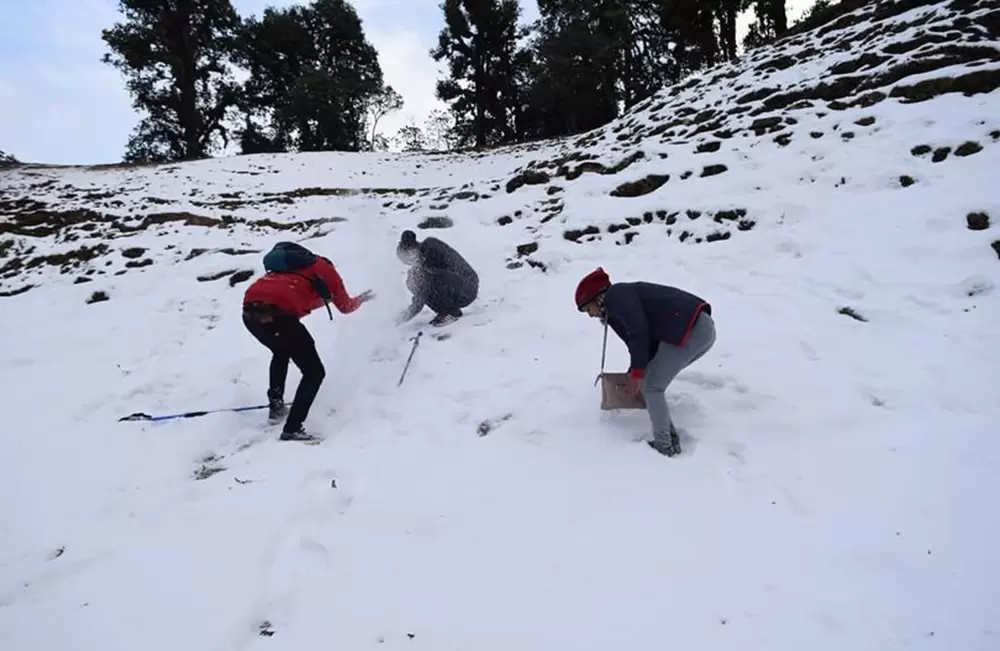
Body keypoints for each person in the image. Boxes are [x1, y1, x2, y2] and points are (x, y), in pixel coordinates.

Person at [575, 267, 715, 457]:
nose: (589, 314)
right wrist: (636, 371)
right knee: (651, 382)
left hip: (693, 329)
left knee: (653, 387)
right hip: (695, 329)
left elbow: (639, 332)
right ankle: (668, 439)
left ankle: (664, 446)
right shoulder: (616, 308)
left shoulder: (617, 296)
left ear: (597, 297)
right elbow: (641, 343)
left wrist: (638, 373)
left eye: (586, 308)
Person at [242, 242, 374, 441]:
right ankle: (293, 427)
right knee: (314, 372)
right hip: (279, 315)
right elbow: (345, 306)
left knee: (281, 351)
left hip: (249, 312)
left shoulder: (286, 268)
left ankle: (276, 406)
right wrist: (362, 299)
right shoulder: (326, 269)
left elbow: (294, 297)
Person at [395, 229, 479, 327]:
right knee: (413, 280)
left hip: (467, 287)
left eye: (409, 259)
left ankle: (451, 312)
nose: (411, 263)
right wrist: (405, 315)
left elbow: (425, 289)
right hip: (455, 287)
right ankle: (445, 311)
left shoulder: (431, 247)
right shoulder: (423, 264)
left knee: (426, 278)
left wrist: (407, 314)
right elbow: (421, 293)